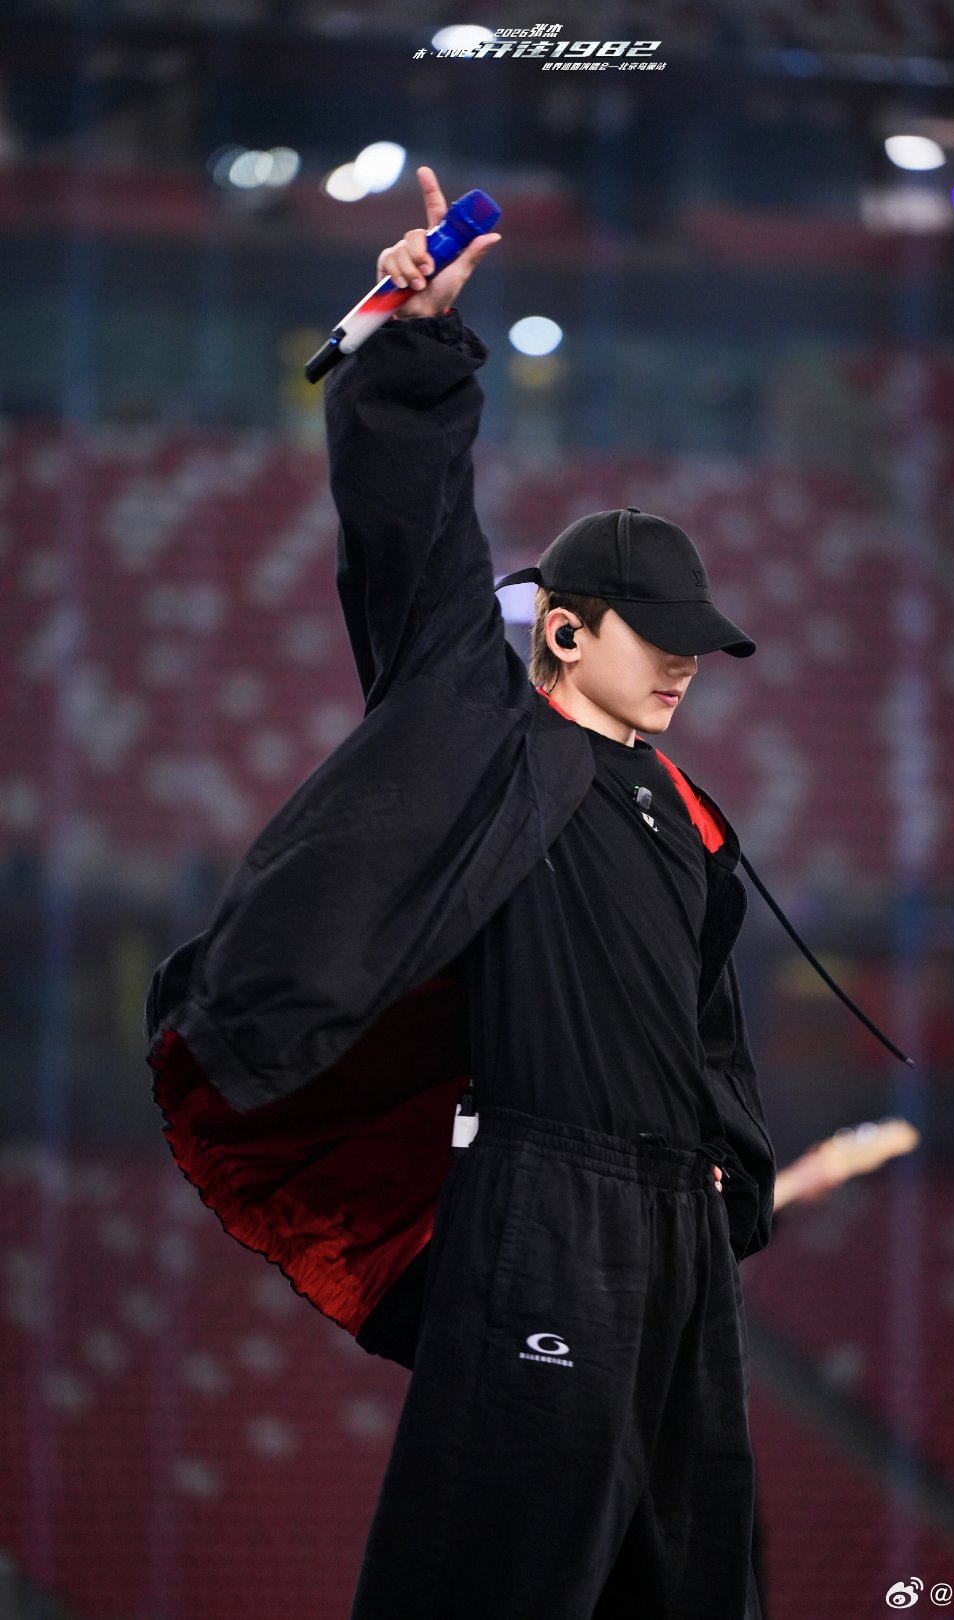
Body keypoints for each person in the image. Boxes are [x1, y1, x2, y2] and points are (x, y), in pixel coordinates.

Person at [145, 165, 775, 1620]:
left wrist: (728, 1171)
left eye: (700, 639)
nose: (687, 661)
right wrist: (419, 343)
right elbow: (412, 548)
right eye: (658, 634)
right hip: (541, 1204)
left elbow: (704, 1028)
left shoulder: (689, 815)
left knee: (690, 1581)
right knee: (496, 1580)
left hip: (678, 1230)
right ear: (563, 633)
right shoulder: (482, 740)